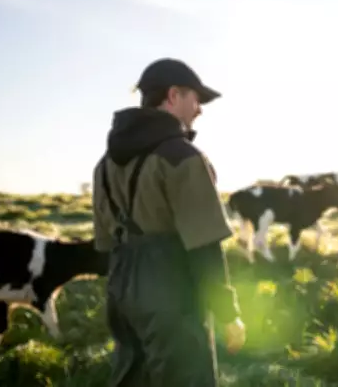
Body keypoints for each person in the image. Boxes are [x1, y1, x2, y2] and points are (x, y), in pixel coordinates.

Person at [91, 57, 246, 386]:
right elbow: (205, 245)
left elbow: (104, 244)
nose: (200, 109)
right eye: (196, 99)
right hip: (171, 292)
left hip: (120, 293)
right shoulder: (183, 157)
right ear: (173, 95)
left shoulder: (103, 165)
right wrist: (229, 314)